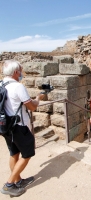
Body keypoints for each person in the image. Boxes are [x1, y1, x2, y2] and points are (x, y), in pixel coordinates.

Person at [0, 60, 44, 197]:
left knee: (14, 153)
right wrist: (38, 98)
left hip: (5, 126)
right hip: (19, 127)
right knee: (27, 154)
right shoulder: (18, 86)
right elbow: (32, 107)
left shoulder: (1, 84)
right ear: (15, 72)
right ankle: (8, 185)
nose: (21, 73)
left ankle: (18, 181)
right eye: (20, 70)